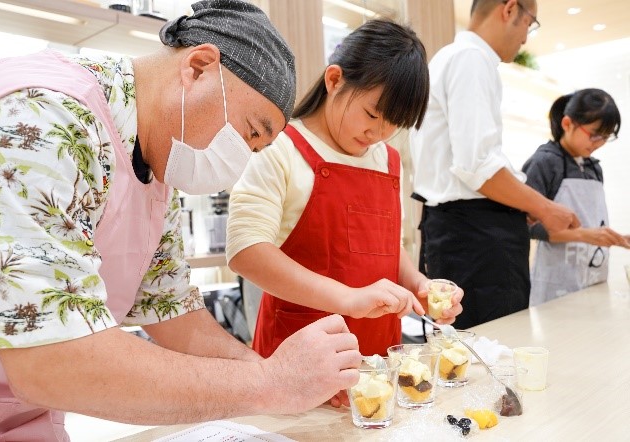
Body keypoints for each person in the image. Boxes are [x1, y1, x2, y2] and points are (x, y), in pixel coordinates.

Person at [0, 1, 362, 440]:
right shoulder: (42, 117)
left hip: (17, 418)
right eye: (250, 132)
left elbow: (169, 307)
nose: (239, 161)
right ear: (198, 67)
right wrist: (268, 386)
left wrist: (279, 375)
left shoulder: (155, 166)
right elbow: (49, 358)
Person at [226, 19, 464, 374]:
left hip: (378, 360)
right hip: (299, 356)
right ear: (334, 80)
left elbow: (383, 245)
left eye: (393, 123)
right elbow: (246, 252)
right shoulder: (280, 147)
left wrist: (418, 285)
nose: (378, 133)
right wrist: (349, 299)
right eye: (372, 114)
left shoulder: (388, 160)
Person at [409, 0, 581, 329]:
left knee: (462, 348)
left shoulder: (454, 57)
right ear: (509, 9)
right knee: (491, 349)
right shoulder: (471, 59)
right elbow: (477, 167)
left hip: (460, 232)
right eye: (530, 24)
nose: (526, 39)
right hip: (476, 239)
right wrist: (545, 207)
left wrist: (522, 203)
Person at [522, 88, 628, 306]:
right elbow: (524, 224)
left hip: (594, 277)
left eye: (606, 137)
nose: (599, 143)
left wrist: (614, 237)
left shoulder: (594, 168)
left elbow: (594, 222)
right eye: (595, 134)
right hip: (556, 281)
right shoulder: (544, 163)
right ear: (567, 124)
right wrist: (582, 235)